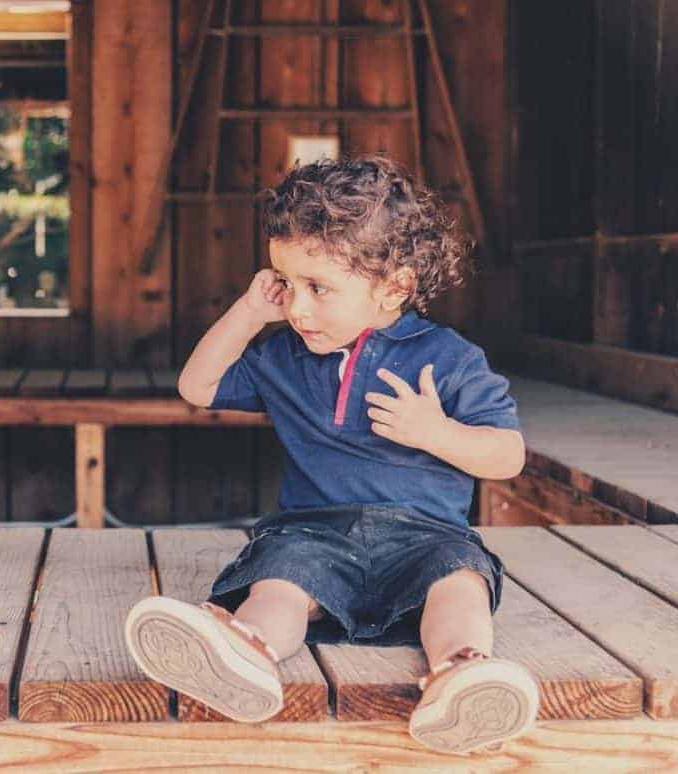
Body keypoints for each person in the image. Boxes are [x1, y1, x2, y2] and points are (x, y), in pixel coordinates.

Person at [124, 154, 540, 756]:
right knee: (281, 581)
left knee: (461, 581)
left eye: (318, 288)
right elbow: (198, 387)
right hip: (314, 533)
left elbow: (508, 456)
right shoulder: (286, 356)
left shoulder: (450, 358)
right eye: (286, 284)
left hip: (425, 538)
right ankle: (247, 653)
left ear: (394, 286)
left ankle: (461, 675)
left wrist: (436, 432)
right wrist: (248, 313)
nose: (296, 308)